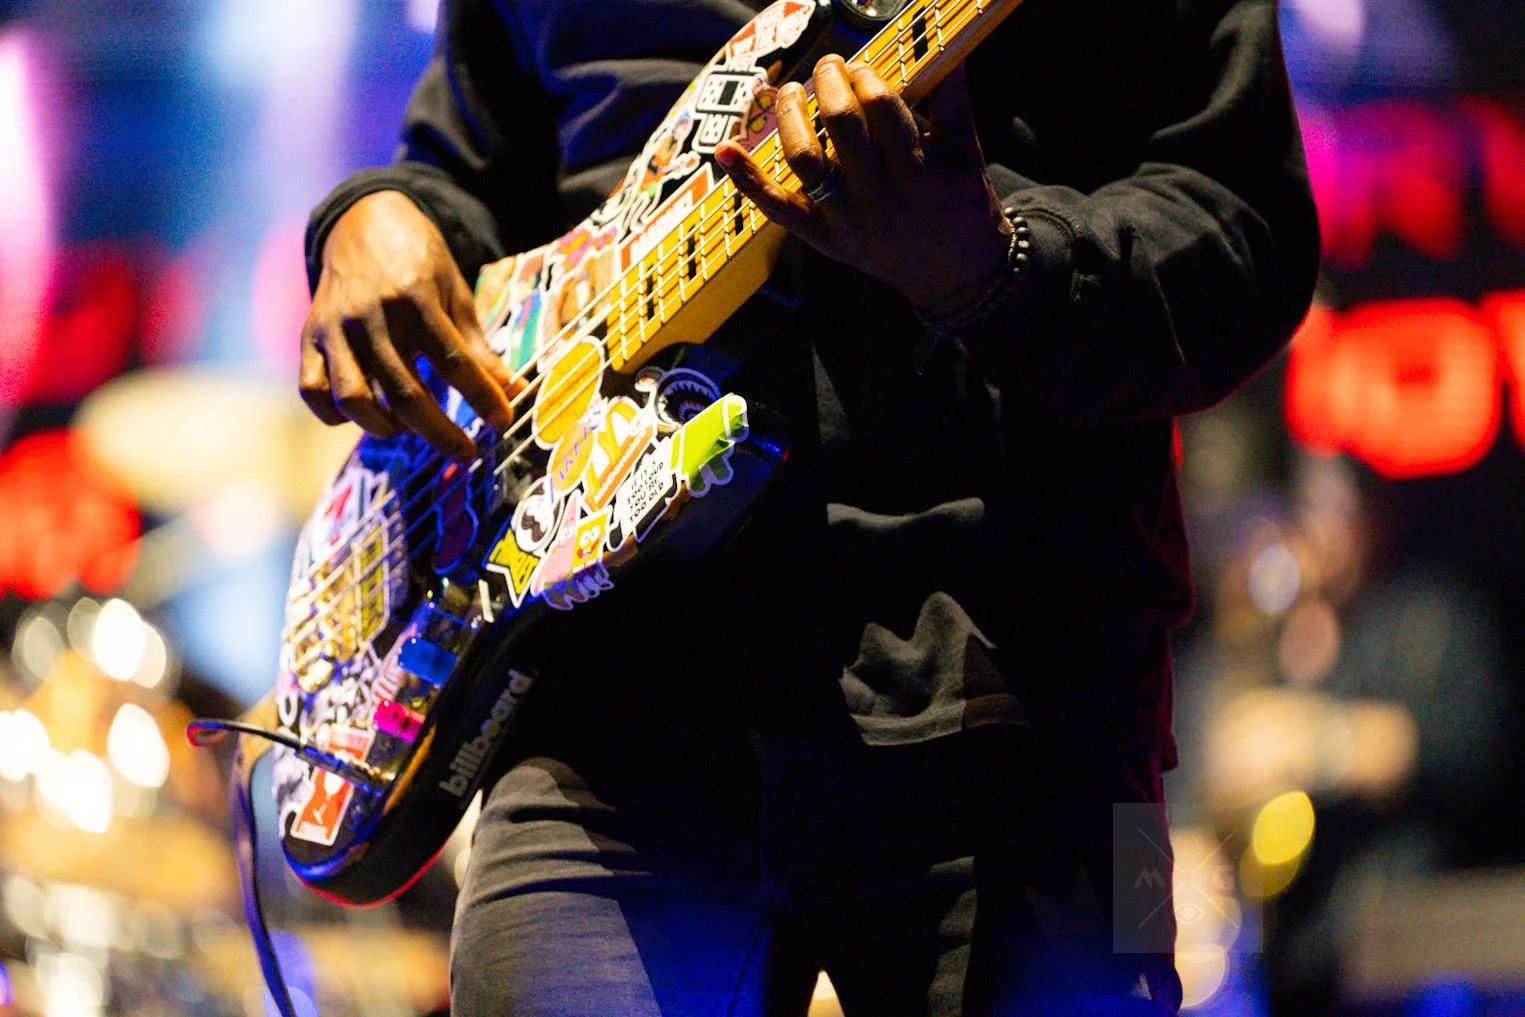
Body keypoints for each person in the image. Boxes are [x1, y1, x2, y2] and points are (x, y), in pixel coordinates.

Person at [297, 0, 1320, 1012]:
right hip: (597, 697)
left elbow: (1246, 230)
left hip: (1023, 697)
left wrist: (1000, 266)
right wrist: (376, 214)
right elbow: (472, 162)